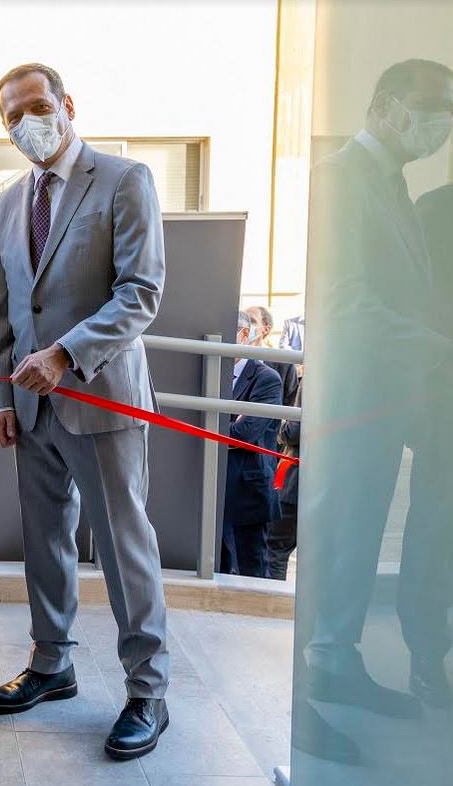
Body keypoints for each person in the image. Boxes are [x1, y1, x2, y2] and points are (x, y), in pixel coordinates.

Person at [0, 63, 170, 761]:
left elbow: (140, 292)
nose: (26, 122)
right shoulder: (8, 202)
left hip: (102, 399)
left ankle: (148, 690)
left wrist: (65, 354)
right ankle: (52, 663)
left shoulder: (124, 180)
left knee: (124, 549)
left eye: (36, 106)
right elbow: (0, 310)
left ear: (66, 104)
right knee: (45, 543)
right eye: (12, 116)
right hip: (31, 410)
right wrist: (0, 398)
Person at [299, 59, 453, 733]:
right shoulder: (340, 178)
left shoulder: (392, 182)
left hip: (385, 401)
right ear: (388, 106)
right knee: (340, 534)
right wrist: (438, 349)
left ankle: (339, 659)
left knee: (359, 536)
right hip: (352, 402)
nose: (442, 123)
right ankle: (325, 668)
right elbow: (341, 300)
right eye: (433, 106)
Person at [401, 180, 453, 706]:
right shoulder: (436, 210)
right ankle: (426, 655)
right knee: (436, 533)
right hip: (446, 404)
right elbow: (416, 306)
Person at [221, 311, 283, 578]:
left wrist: (224, 429)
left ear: (244, 335)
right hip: (213, 492)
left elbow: (243, 433)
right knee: (218, 569)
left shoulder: (266, 378)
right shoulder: (212, 374)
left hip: (248, 494)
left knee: (252, 573)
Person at [266, 382, 301, 581]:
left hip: (295, 483)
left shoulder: (315, 379)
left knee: (275, 549)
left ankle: (270, 597)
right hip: (331, 485)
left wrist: (279, 427)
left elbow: (293, 432)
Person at [245, 305, 299, 407]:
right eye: (243, 320)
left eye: (252, 321)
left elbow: (291, 403)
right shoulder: (231, 359)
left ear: (266, 329)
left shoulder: (284, 365)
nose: (245, 325)